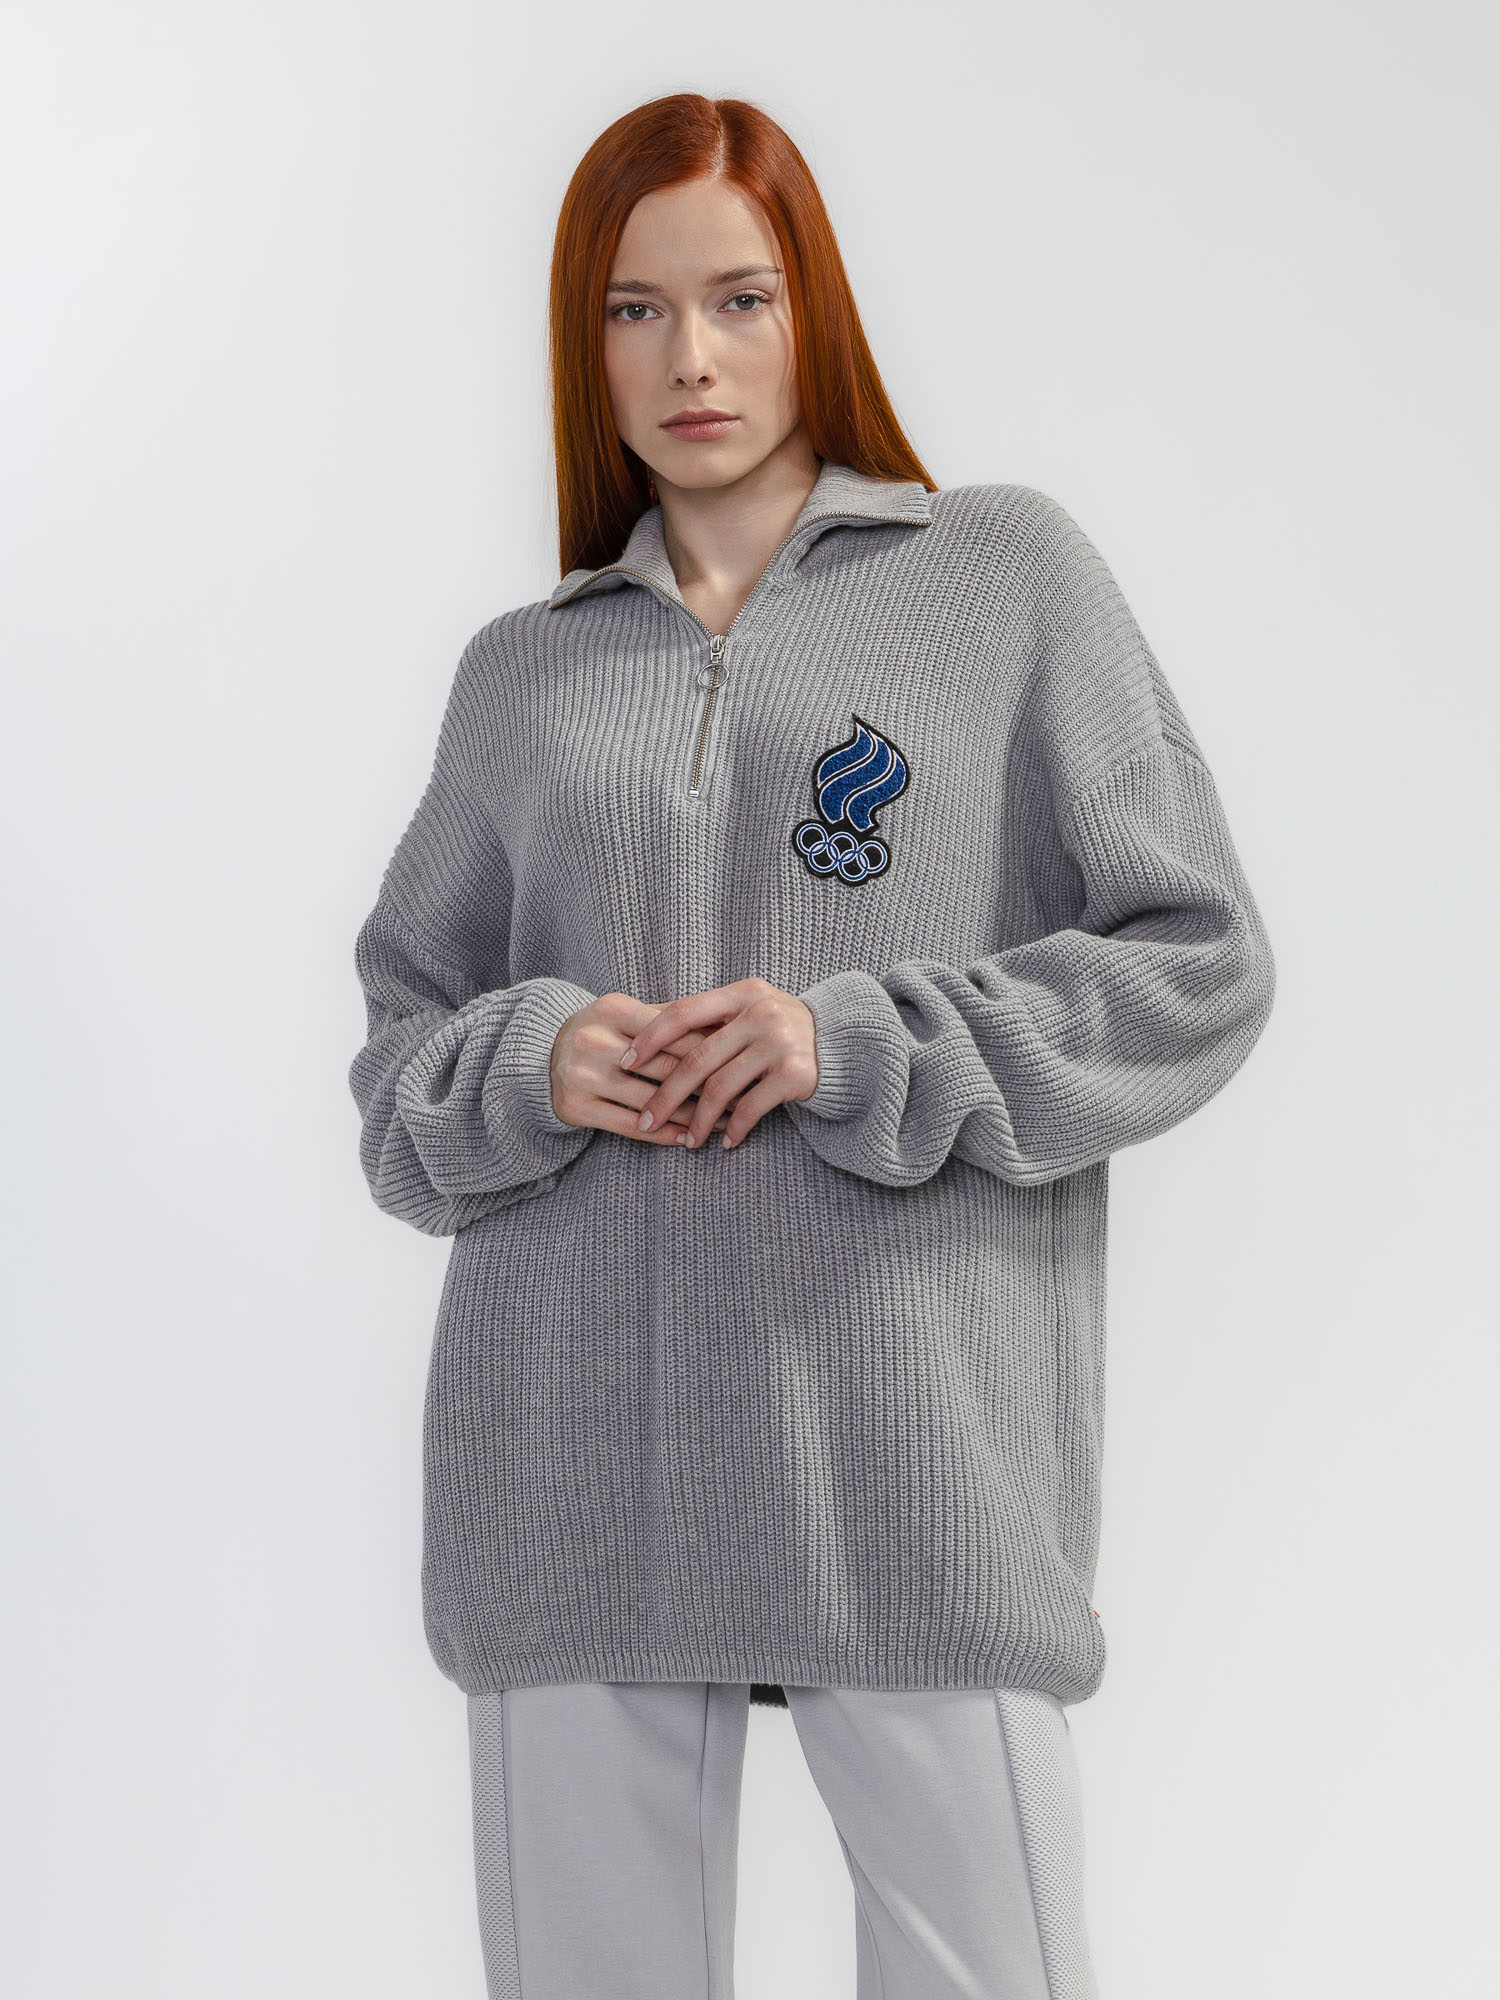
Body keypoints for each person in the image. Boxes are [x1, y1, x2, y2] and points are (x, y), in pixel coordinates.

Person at [348, 92, 1276, 2000]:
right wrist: (532, 1062)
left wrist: (862, 1041)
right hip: (574, 1478)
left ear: (813, 312)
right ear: (584, 342)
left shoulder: (1002, 579)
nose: (690, 358)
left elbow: (1198, 963)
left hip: (908, 1464)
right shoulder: (524, 671)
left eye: (739, 298)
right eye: (634, 310)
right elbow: (397, 1076)